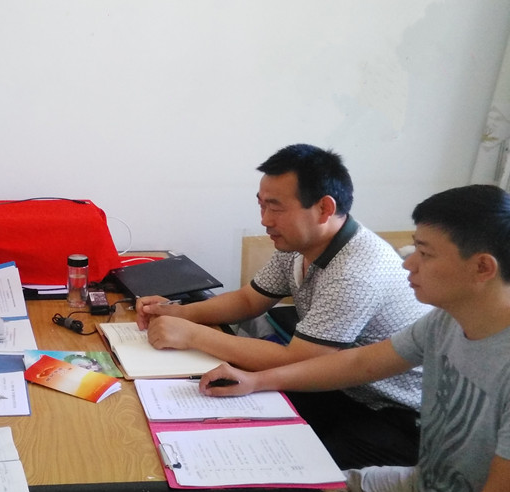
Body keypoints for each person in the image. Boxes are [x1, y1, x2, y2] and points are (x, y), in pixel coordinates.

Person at [199, 184, 510, 492]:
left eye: (425, 253)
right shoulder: (448, 318)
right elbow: (361, 363)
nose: (407, 264)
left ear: (482, 268)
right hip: (428, 491)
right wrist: (257, 381)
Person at [136, 143, 430, 470]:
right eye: (261, 205)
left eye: (275, 208)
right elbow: (249, 299)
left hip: (392, 413)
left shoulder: (357, 271)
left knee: (278, 464)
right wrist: (178, 312)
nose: (264, 220)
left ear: (324, 208)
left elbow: (300, 359)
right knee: (215, 414)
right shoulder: (298, 245)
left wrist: (193, 335)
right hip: (339, 388)